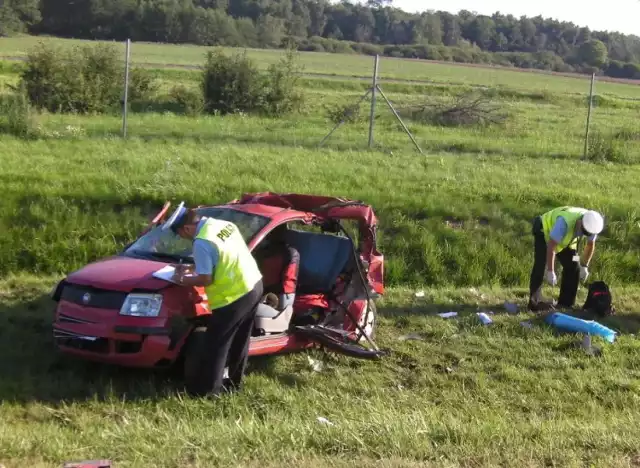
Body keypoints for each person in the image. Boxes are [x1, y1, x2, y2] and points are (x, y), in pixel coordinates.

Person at [162, 202, 264, 397]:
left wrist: (182, 279)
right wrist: (193, 267)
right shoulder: (220, 225)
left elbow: (206, 279)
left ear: (187, 228)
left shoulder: (201, 242)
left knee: (216, 344)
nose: (182, 239)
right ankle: (233, 385)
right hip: (253, 284)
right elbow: (223, 256)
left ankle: (208, 392)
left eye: (180, 234)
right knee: (240, 340)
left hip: (232, 297)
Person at [528, 206, 604, 312]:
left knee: (574, 266)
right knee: (540, 265)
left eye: (586, 234)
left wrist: (584, 266)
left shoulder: (592, 224)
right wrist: (551, 271)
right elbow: (551, 247)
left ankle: (566, 304)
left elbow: (590, 245)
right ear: (580, 222)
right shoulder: (563, 223)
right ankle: (534, 303)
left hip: (565, 241)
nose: (583, 234)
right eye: (583, 231)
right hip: (544, 231)